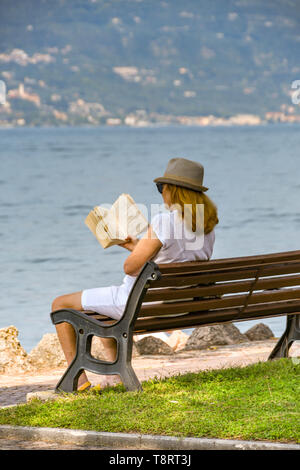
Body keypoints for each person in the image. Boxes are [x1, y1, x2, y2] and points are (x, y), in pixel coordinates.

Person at [51, 157, 219, 391]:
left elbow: (130, 268)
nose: (161, 193)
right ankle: (113, 375)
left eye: (161, 188)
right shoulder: (206, 226)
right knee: (97, 310)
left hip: (136, 304)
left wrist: (135, 252)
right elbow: (171, 259)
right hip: (177, 305)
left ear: (173, 191)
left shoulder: (165, 221)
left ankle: (78, 380)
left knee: (59, 304)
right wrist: (136, 246)